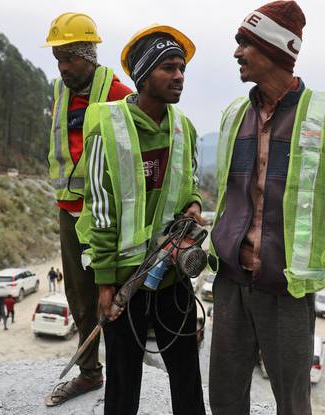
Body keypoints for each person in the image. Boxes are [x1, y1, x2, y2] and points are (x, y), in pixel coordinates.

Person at [208, 2, 325, 414]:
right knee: (224, 396)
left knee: (292, 402)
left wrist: (298, 254)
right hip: (232, 281)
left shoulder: (324, 116)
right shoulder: (235, 115)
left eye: (245, 44)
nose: (237, 53)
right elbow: (228, 194)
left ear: (274, 50)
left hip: (287, 289)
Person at [73, 24, 205, 414]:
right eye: (169, 67)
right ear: (144, 75)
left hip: (171, 273)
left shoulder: (184, 128)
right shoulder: (109, 128)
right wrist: (104, 284)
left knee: (185, 371)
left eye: (182, 68)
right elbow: (100, 209)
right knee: (124, 376)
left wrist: (195, 206)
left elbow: (192, 183)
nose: (179, 76)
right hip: (124, 280)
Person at [43, 12, 132, 407]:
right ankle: (90, 373)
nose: (62, 67)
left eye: (68, 59)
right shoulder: (61, 91)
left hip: (103, 214)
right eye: (57, 59)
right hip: (68, 209)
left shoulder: (116, 93)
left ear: (88, 55)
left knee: (110, 297)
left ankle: (123, 378)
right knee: (79, 298)